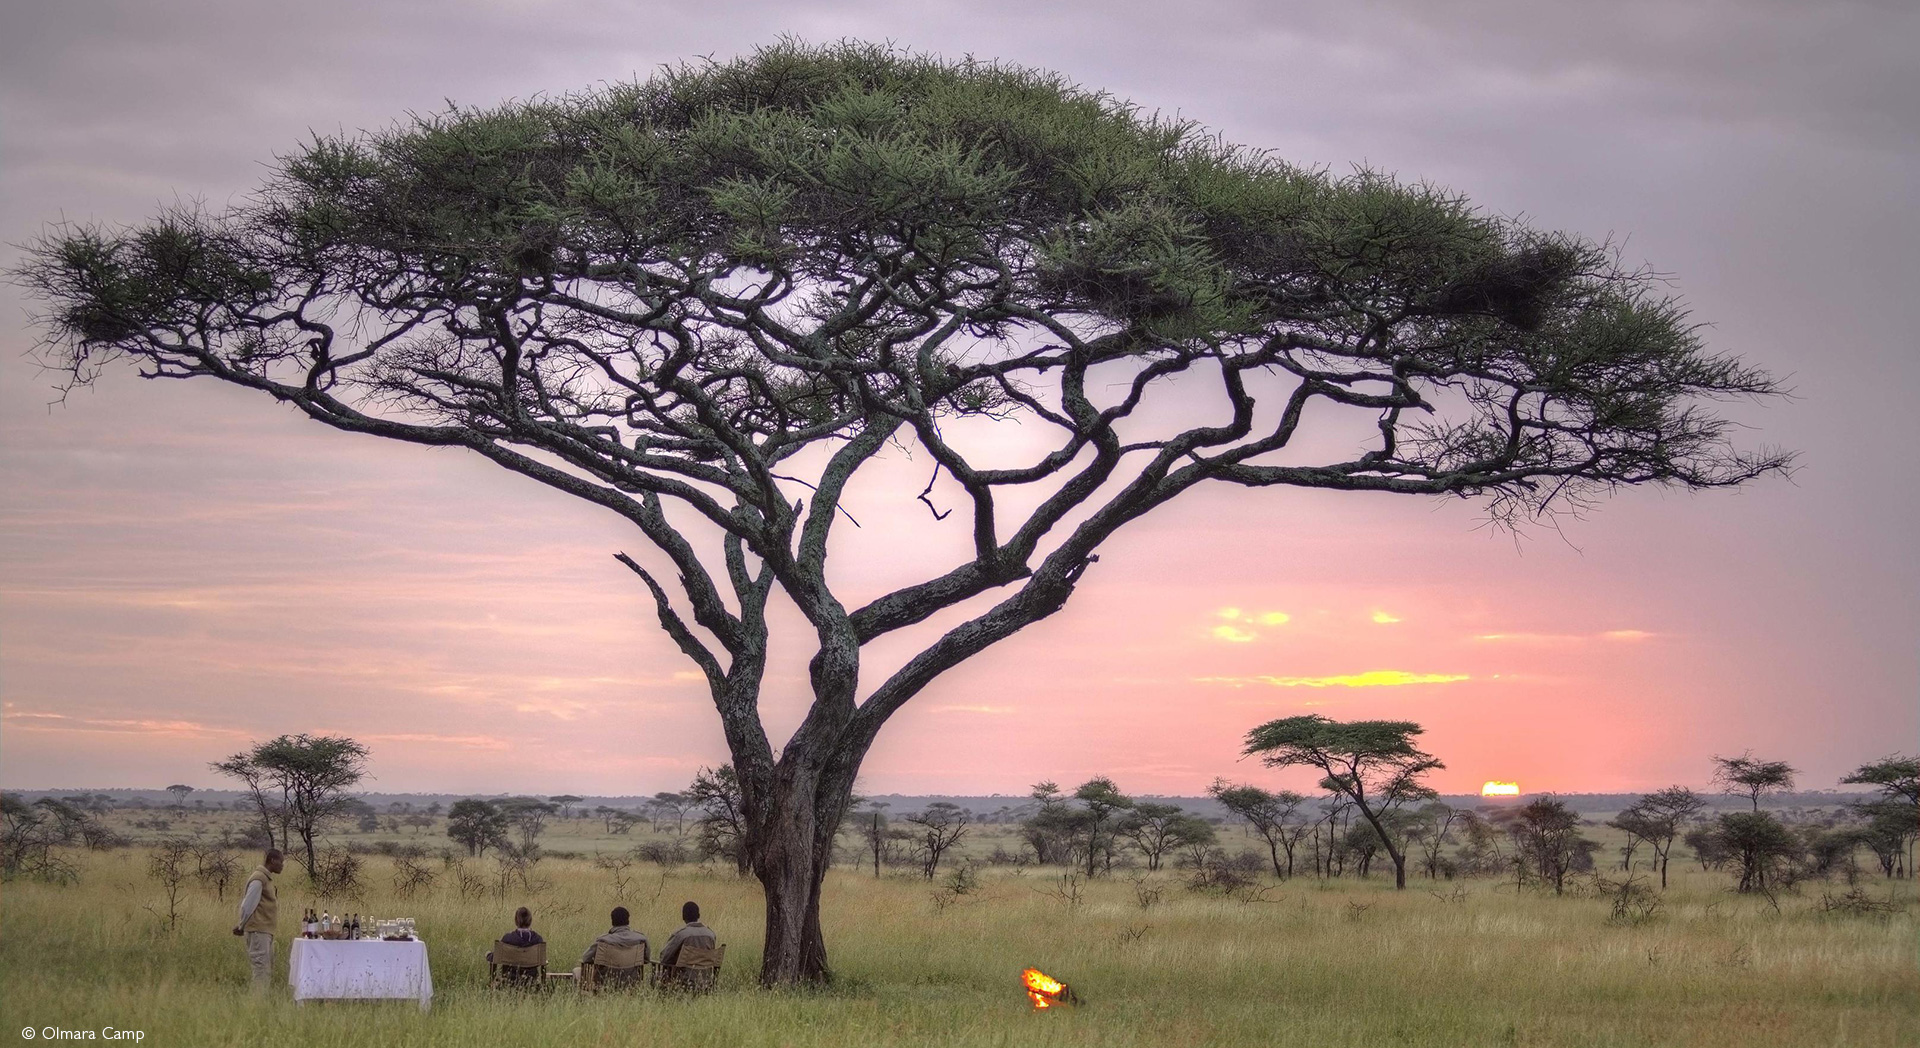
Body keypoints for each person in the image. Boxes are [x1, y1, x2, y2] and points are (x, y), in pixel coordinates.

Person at [231, 847, 284, 992]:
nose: (282, 865)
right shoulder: (259, 879)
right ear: (272, 861)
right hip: (257, 932)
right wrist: (242, 925)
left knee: (265, 968)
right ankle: (256, 1005)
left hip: (262, 931)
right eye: (281, 862)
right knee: (261, 970)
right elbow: (248, 905)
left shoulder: (264, 878)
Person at [579, 905, 648, 969]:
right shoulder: (641, 939)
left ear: (612, 921)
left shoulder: (603, 941)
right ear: (628, 920)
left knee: (576, 971)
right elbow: (646, 960)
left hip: (605, 978)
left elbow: (586, 958)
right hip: (632, 979)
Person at [657, 901, 716, 969]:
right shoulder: (711, 934)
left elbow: (664, 958)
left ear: (683, 916)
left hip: (683, 976)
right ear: (699, 915)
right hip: (706, 977)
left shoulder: (681, 934)